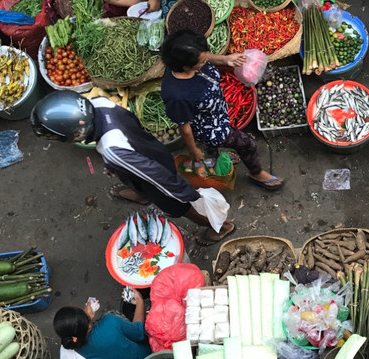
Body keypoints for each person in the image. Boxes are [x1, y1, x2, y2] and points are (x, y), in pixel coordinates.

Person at [31, 90, 235, 246]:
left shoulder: (113, 149)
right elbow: (132, 126)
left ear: (77, 134)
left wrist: (186, 194)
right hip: (149, 151)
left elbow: (156, 177)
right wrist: (120, 166)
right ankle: (142, 194)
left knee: (178, 206)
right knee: (136, 177)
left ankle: (221, 227)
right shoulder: (99, 104)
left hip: (155, 174)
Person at [160, 30, 284, 191]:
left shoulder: (187, 62)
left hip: (218, 113)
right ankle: (257, 173)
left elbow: (203, 56)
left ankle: (216, 157)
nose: (206, 60)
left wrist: (225, 59)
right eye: (202, 61)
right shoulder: (177, 95)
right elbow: (184, 128)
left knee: (211, 150)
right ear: (186, 66)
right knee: (248, 144)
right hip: (210, 128)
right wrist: (193, 150)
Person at [54, 294, 151, 359]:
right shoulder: (109, 323)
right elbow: (139, 333)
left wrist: (86, 320)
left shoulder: (64, 355)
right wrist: (140, 301)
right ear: (89, 326)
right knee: (112, 313)